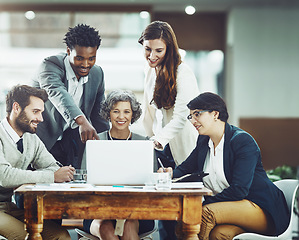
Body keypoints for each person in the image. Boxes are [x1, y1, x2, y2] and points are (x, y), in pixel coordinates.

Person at [160, 92, 290, 240]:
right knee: (219, 234)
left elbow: (239, 189)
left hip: (261, 209)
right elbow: (186, 168)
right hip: (232, 208)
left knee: (203, 214)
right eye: (191, 116)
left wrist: (205, 202)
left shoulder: (242, 141)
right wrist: (168, 174)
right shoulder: (203, 141)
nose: (193, 121)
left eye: (197, 114)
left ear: (215, 114)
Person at [0, 85, 75, 240]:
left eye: (41, 113)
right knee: (26, 236)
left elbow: (51, 166)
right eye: (35, 112)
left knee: (60, 235)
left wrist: (49, 174)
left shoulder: (30, 138)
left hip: (7, 207)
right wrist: (51, 177)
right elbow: (6, 177)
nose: (41, 119)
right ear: (16, 108)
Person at [31, 24, 109, 169]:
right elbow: (57, 92)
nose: (86, 64)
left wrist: (107, 146)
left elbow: (99, 116)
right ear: (68, 51)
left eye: (91, 58)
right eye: (79, 58)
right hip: (42, 140)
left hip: (71, 143)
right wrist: (81, 121)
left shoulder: (97, 73)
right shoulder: (50, 65)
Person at [82, 89, 155, 240]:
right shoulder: (96, 142)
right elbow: (84, 179)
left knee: (129, 225)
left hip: (137, 211)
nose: (121, 117)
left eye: (126, 112)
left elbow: (152, 181)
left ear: (132, 115)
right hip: (98, 210)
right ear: (108, 113)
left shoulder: (144, 143)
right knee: (106, 228)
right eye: (116, 111)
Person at [138, 21, 200, 169]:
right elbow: (148, 113)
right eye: (147, 49)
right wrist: (149, 141)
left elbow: (182, 117)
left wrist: (157, 140)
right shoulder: (149, 71)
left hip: (182, 143)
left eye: (158, 50)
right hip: (161, 145)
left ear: (169, 49)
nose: (152, 56)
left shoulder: (183, 72)